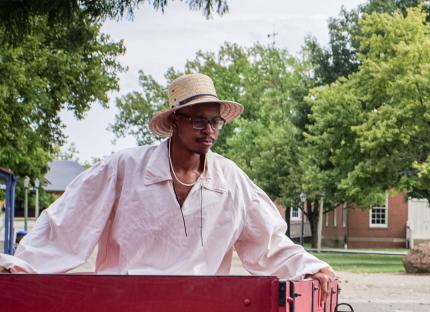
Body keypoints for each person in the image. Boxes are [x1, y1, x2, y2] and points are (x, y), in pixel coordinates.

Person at [0, 73, 336, 299]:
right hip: (124, 305)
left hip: (201, 309)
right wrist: (25, 265)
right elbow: (69, 221)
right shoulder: (125, 168)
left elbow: (267, 242)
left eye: (215, 120)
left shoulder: (229, 179)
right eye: (198, 120)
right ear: (175, 120)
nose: (209, 130)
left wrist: (310, 266)